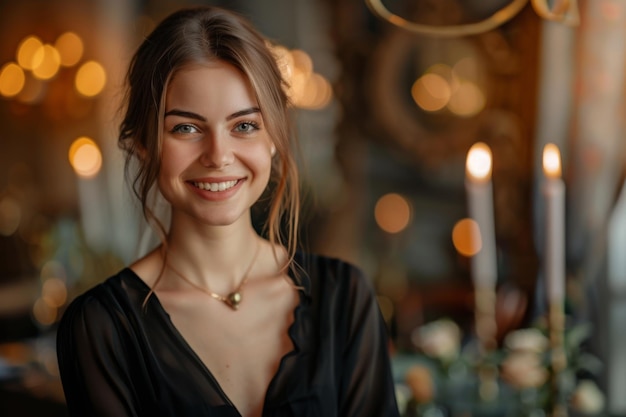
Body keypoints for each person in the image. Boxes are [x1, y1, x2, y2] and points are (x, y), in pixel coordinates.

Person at [56, 5, 400, 417]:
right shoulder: (102, 328)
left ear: (274, 136)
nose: (218, 156)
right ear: (144, 145)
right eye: (186, 128)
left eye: (244, 125)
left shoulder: (345, 298)